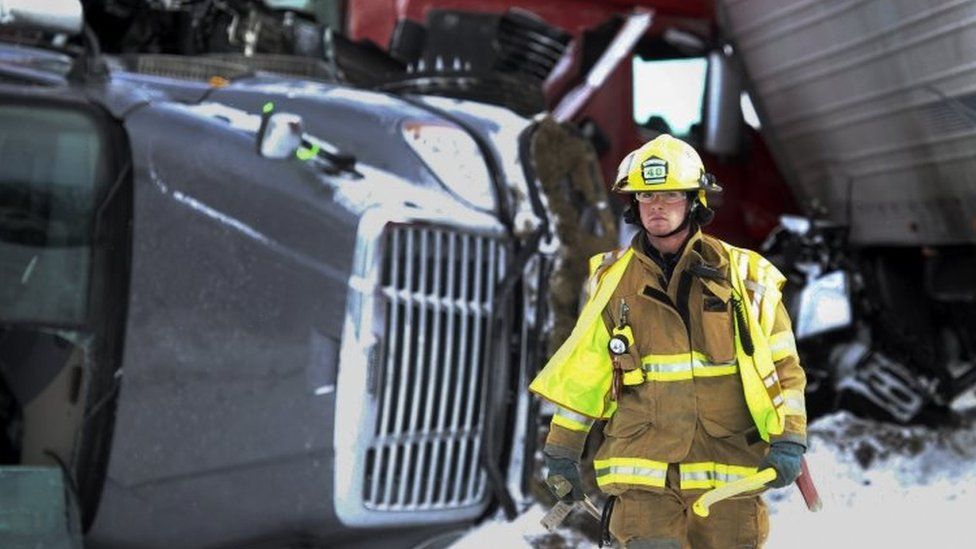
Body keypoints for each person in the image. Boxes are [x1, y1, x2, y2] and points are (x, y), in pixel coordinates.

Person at [530, 134, 807, 548]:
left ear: (695, 200)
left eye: (671, 194)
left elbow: (785, 367)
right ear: (634, 203)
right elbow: (588, 370)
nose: (657, 205)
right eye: (646, 195)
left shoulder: (747, 277)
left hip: (728, 477)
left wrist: (790, 438)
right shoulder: (611, 281)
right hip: (644, 479)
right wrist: (563, 448)